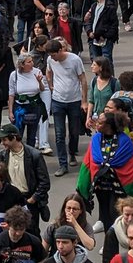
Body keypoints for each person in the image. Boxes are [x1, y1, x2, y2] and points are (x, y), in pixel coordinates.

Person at [76, 110, 133, 231]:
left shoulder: (125, 141)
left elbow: (129, 165)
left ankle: (116, 241)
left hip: (118, 188)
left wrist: (106, 164)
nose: (97, 124)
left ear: (109, 126)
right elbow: (92, 160)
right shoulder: (96, 138)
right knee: (105, 215)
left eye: (100, 123)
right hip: (100, 186)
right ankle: (109, 242)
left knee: (115, 214)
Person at [0, 122, 50, 233]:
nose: (2, 143)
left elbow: (44, 182)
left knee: (31, 231)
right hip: (10, 200)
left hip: (28, 200)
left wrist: (32, 199)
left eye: (4, 140)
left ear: (14, 138)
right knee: (11, 232)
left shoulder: (35, 155)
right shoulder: (3, 155)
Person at [45, 40, 89, 177]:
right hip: (58, 101)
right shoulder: (50, 60)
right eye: (50, 56)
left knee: (74, 131)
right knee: (59, 134)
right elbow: (48, 72)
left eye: (54, 55)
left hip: (74, 101)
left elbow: (83, 80)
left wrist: (84, 101)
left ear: (60, 51)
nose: (53, 58)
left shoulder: (74, 60)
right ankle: (62, 164)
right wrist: (51, 85)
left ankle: (72, 153)